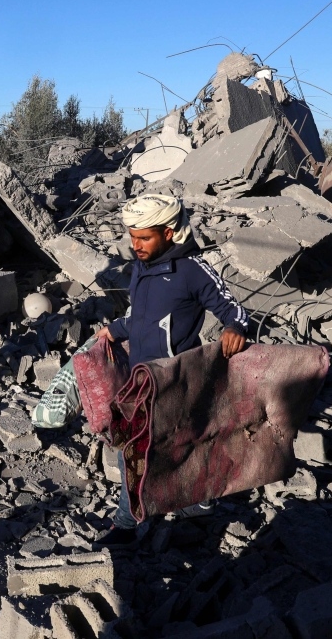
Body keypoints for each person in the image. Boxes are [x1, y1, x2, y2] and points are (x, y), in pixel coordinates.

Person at [92, 193, 249, 547]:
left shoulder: (192, 270)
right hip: (141, 378)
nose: (136, 245)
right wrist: (115, 330)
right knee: (146, 446)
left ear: (168, 232)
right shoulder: (141, 267)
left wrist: (235, 328)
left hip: (174, 379)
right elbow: (142, 318)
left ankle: (128, 525)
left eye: (144, 238)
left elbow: (233, 308)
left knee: (146, 447)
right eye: (132, 237)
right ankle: (190, 504)